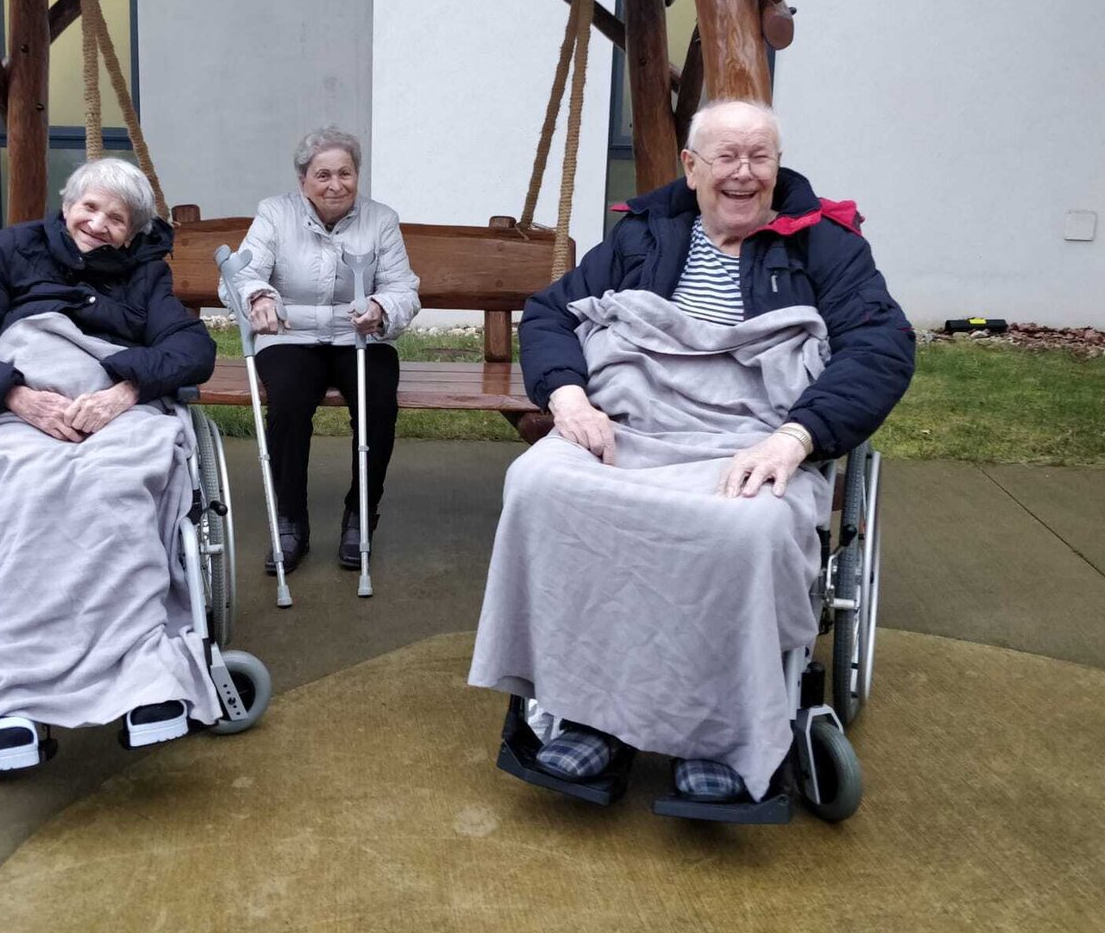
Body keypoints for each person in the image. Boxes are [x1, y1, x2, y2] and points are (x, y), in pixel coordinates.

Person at [468, 98, 915, 803]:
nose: (744, 173)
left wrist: (796, 436)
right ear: (691, 167)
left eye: (760, 157)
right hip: (632, 425)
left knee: (747, 527)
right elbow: (553, 312)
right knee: (539, 485)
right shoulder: (647, 233)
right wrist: (569, 398)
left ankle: (720, 734)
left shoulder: (824, 245)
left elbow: (881, 347)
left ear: (778, 164)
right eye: (726, 157)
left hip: (751, 438)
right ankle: (586, 713)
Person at [0, 158, 219, 774]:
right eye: (90, 207)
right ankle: (11, 693)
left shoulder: (145, 273)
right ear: (67, 205)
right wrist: (16, 396)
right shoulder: (13, 251)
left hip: (113, 409)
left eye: (117, 218)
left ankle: (143, 674)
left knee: (117, 484)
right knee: (25, 486)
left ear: (132, 233)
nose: (99, 224)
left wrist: (125, 392)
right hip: (18, 408)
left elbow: (192, 348)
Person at [224, 127, 421, 573]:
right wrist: (258, 298)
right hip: (290, 335)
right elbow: (241, 273)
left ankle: (360, 514)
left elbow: (403, 288)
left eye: (345, 173)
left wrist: (380, 308)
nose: (336, 185)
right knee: (289, 406)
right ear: (303, 181)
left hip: (359, 336)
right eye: (323, 175)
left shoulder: (381, 220)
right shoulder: (275, 214)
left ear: (357, 175)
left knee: (378, 404)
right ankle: (290, 520)